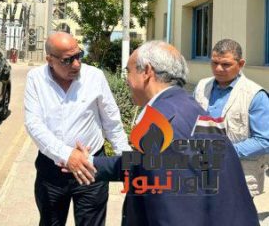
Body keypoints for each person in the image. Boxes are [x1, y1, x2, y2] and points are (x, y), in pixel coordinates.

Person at [84, 40, 258, 225]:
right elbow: (145, 164)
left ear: (147, 71)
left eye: (129, 71)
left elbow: (175, 215)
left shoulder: (162, 126)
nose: (126, 79)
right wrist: (90, 162)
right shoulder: (185, 106)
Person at [24, 32, 130, 226]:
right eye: (67, 60)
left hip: (92, 169)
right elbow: (33, 124)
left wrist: (127, 165)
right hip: (52, 171)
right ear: (50, 60)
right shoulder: (35, 79)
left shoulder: (94, 77)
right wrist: (67, 155)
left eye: (79, 55)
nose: (76, 64)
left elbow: (112, 122)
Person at [193, 38, 269, 196]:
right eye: (214, 63)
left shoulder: (255, 95)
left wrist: (223, 151)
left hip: (238, 176)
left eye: (226, 64)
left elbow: (264, 140)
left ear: (241, 64)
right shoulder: (201, 87)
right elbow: (190, 121)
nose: (218, 69)